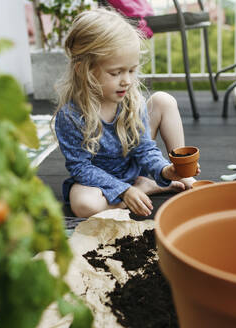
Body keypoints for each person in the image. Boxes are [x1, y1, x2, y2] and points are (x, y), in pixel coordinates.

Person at [53, 8, 199, 218]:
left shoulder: (130, 99)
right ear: (83, 70)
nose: (127, 81)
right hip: (98, 183)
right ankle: (143, 189)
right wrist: (124, 190)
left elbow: (144, 149)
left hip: (132, 167)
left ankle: (180, 175)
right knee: (83, 205)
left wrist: (165, 170)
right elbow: (81, 168)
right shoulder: (70, 116)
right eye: (116, 72)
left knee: (163, 101)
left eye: (131, 70)